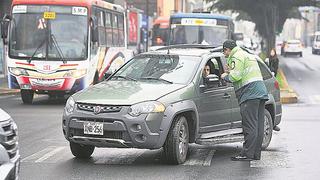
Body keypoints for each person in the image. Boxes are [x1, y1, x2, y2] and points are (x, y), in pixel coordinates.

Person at [221, 40, 269, 161]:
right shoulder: (246, 54)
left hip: (249, 94)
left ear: (227, 49)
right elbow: (243, 72)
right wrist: (230, 70)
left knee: (249, 125)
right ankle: (255, 154)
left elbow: (235, 76)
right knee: (258, 125)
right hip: (260, 92)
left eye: (224, 51)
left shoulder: (236, 56)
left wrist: (225, 76)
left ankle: (247, 154)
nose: (224, 54)